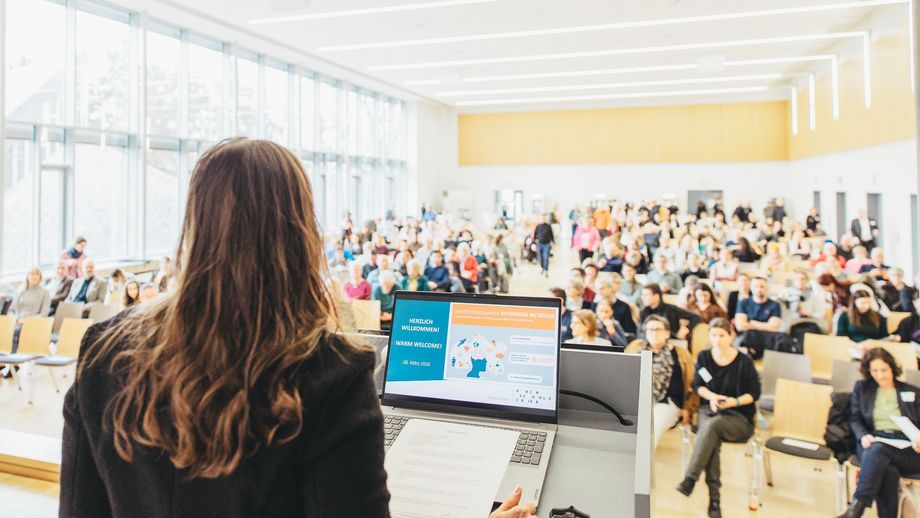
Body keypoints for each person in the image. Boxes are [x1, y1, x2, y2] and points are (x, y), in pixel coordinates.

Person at [65, 140, 386, 517]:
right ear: (300, 234)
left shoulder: (105, 351)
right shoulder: (333, 374)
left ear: (195, 225)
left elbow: (78, 507)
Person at [677, 318, 760, 518]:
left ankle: (691, 478)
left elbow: (754, 393)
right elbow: (698, 385)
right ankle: (714, 501)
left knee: (710, 428)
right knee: (710, 436)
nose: (718, 340)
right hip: (710, 410)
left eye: (722, 335)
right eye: (713, 335)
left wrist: (734, 402)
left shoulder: (744, 361)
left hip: (739, 416)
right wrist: (713, 397)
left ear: (731, 336)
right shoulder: (705, 357)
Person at [840, 348, 920, 518]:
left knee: (879, 451)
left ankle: (856, 509)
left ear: (892, 368)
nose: (880, 375)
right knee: (888, 470)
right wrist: (863, 435)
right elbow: (854, 418)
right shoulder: (862, 388)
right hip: (872, 439)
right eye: (874, 371)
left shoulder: (912, 391)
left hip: (907, 447)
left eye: (883, 370)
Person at [625, 315, 691, 449]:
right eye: (650, 329)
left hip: (667, 401)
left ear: (667, 333)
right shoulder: (635, 348)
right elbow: (623, 373)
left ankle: (642, 467)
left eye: (658, 329)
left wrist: (688, 408)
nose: (654, 333)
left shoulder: (680, 353)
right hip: (635, 399)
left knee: (651, 426)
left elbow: (691, 383)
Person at [733, 277, 783, 358]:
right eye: (756, 286)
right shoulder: (743, 303)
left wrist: (752, 323)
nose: (759, 289)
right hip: (747, 339)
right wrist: (766, 325)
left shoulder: (774, 305)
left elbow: (774, 327)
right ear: (751, 288)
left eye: (762, 286)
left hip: (768, 340)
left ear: (767, 288)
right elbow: (740, 326)